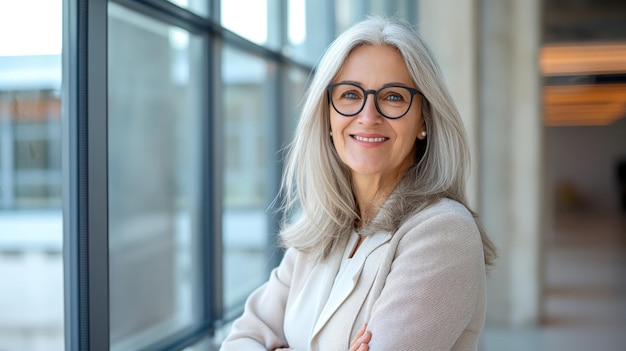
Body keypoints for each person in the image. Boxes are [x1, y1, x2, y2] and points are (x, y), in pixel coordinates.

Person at [220, 16, 496, 351]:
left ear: (424, 120)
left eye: (393, 97)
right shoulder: (321, 228)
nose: (368, 115)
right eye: (350, 94)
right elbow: (241, 338)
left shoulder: (444, 233)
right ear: (327, 116)